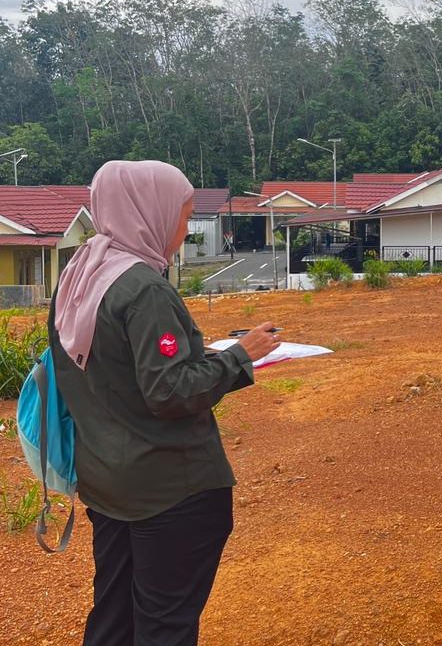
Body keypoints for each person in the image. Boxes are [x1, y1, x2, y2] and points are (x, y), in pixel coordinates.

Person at [49, 160, 280, 646]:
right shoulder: (144, 289)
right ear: (147, 212)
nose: (183, 230)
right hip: (170, 490)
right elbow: (171, 393)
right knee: (164, 626)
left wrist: (202, 356)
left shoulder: (79, 276)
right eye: (182, 215)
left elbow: (117, 371)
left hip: (108, 483)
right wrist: (241, 355)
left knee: (113, 618)